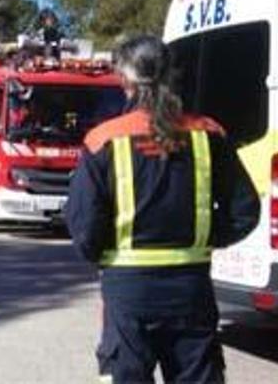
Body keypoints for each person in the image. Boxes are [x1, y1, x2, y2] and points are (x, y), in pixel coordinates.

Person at [64, 35, 259, 384]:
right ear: (172, 75)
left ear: (124, 81)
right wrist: (206, 239)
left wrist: (105, 254)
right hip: (191, 288)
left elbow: (84, 227)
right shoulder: (208, 134)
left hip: (128, 291)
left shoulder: (103, 141)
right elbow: (244, 212)